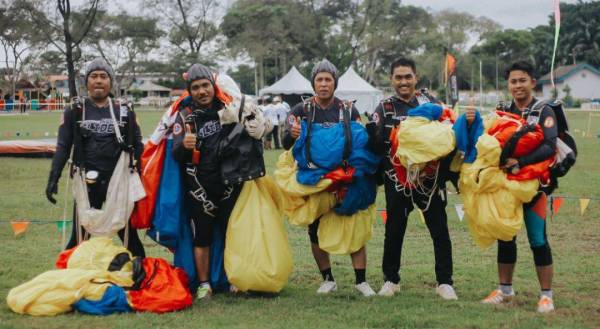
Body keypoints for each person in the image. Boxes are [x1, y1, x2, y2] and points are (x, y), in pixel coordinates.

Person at [172, 63, 270, 299]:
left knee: (233, 234)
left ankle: (234, 278)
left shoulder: (229, 108)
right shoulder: (185, 115)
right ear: (190, 90)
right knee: (202, 236)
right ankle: (204, 283)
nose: (202, 91)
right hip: (199, 186)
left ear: (213, 86)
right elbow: (176, 154)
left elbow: (255, 136)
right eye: (196, 87)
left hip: (230, 183)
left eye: (205, 85)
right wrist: (183, 146)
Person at [282, 59, 377, 297]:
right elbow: (286, 145)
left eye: (328, 80)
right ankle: (327, 279)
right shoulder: (301, 110)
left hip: (346, 178)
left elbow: (360, 141)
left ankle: (361, 281)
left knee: (354, 226)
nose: (324, 84)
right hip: (315, 180)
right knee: (315, 230)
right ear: (313, 83)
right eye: (319, 80)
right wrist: (290, 133)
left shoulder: (348, 109)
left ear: (335, 83)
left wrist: (355, 174)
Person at [367, 57, 457, 299]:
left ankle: (445, 282)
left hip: (430, 180)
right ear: (391, 80)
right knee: (394, 229)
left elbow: (450, 135)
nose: (403, 82)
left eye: (408, 77)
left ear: (416, 78)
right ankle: (391, 280)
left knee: (439, 229)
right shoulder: (384, 108)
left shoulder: (432, 103)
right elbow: (374, 146)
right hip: (396, 180)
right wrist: (370, 133)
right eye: (399, 77)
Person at [45, 58, 146, 257]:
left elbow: (139, 145)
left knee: (129, 236)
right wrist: (53, 178)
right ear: (86, 82)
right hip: (86, 183)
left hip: (118, 183)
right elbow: (63, 146)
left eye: (103, 76)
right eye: (94, 76)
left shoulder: (124, 110)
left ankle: (141, 276)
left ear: (111, 82)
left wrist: (138, 177)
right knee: (79, 236)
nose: (98, 81)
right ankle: (67, 277)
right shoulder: (76, 109)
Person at [480, 61, 557, 313]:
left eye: (522, 80)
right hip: (506, 187)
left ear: (533, 82)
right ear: (508, 85)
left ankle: (546, 296)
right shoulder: (501, 110)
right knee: (505, 235)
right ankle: (505, 290)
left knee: (538, 239)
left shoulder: (543, 109)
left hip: (535, 187)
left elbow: (549, 145)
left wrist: (521, 162)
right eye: (513, 81)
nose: (518, 85)